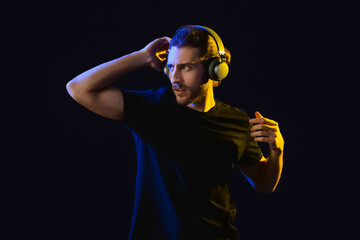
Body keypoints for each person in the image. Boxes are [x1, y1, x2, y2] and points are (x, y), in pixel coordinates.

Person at [66, 25, 284, 240]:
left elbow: (264, 184)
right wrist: (141, 57)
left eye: (185, 68)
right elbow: (78, 88)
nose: (174, 79)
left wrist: (276, 152)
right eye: (170, 67)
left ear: (214, 69)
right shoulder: (151, 107)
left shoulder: (237, 121)